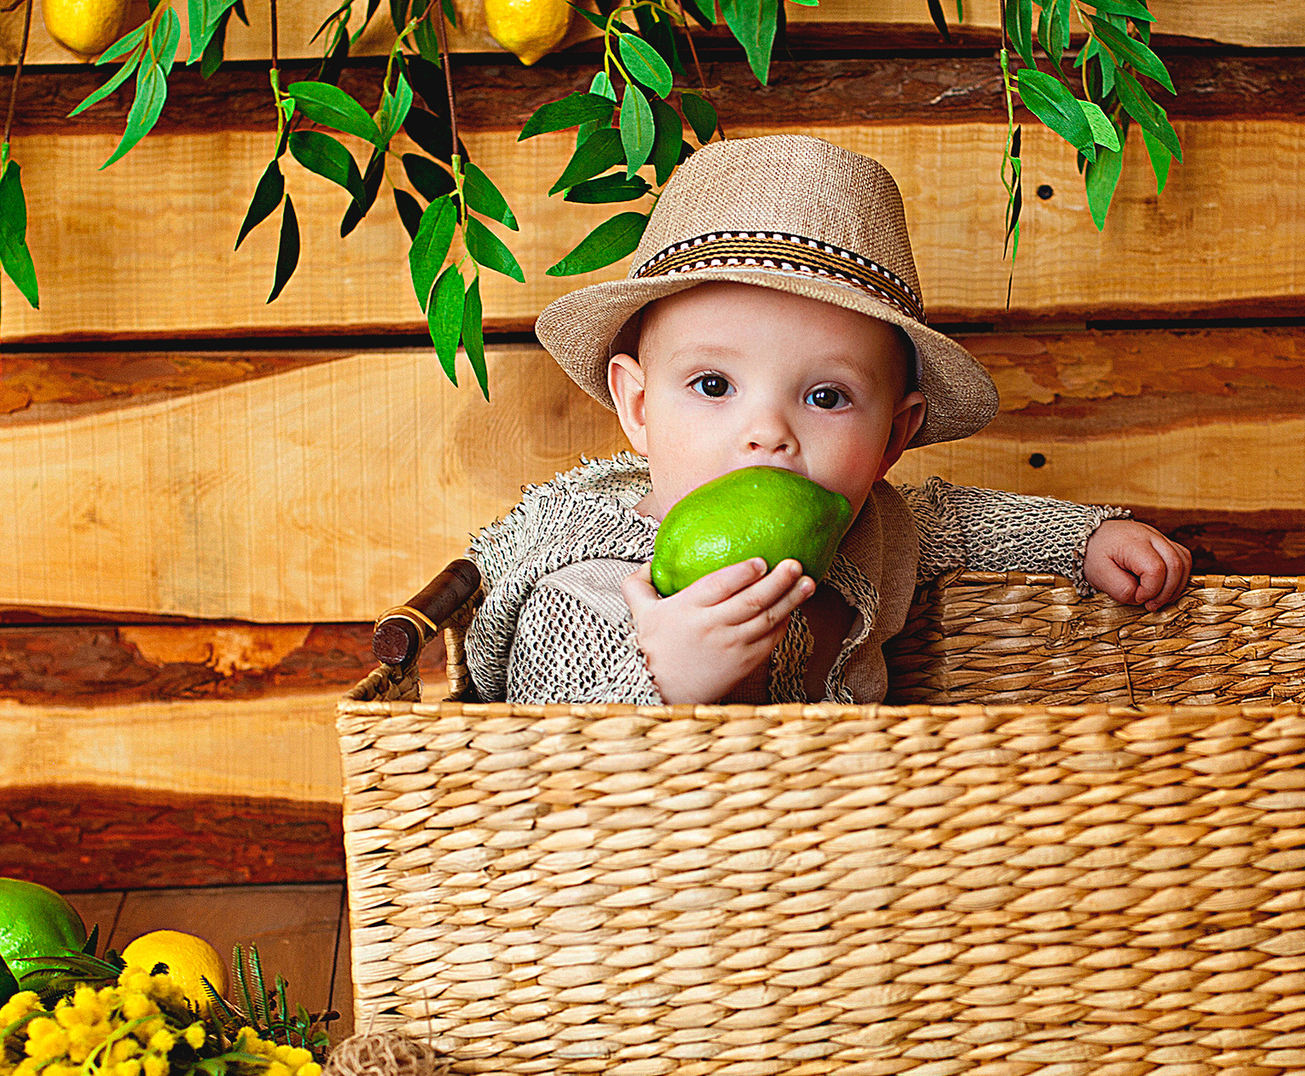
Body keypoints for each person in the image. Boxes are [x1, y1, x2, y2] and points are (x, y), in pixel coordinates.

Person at [463, 134, 1192, 705]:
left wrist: (1085, 536)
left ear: (893, 438)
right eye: (714, 383)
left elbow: (957, 524)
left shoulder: (868, 531)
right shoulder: (587, 584)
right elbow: (546, 772)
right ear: (640, 406)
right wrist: (665, 678)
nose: (768, 431)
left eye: (826, 397)